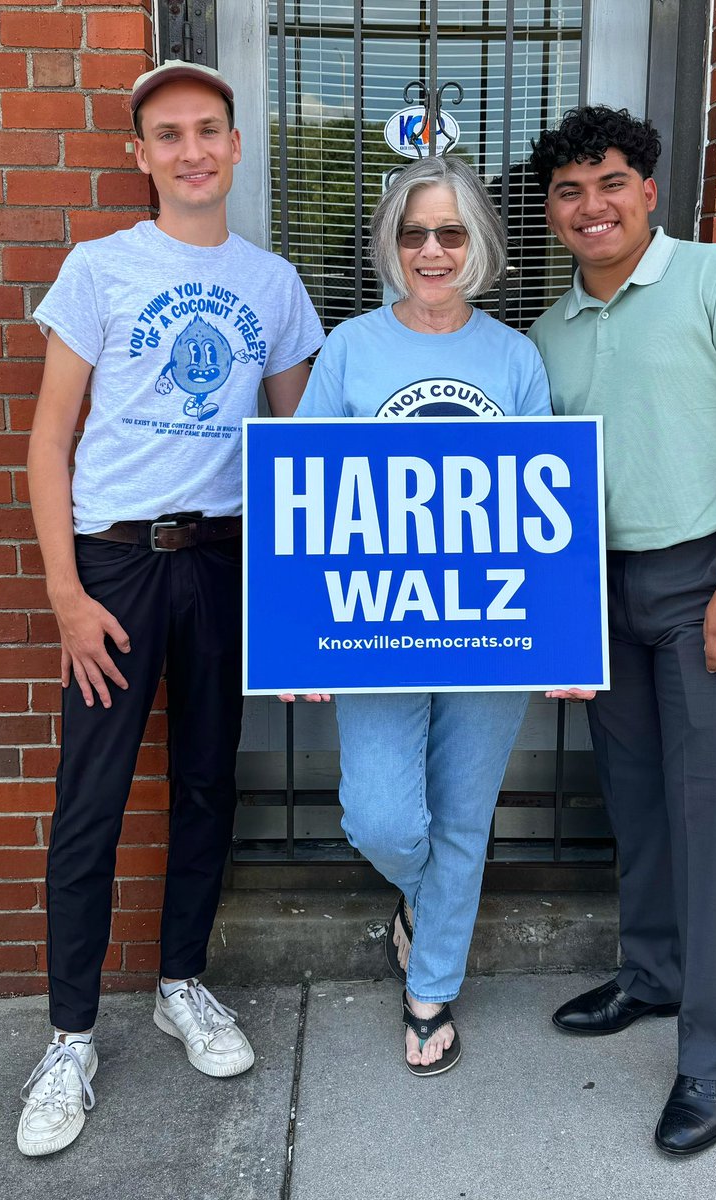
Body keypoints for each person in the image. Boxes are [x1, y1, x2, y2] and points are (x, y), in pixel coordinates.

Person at [18, 60, 324, 1156]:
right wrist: (64, 593)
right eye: (167, 134)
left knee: (203, 782)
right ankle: (68, 1036)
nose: (191, 150)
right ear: (140, 155)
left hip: (224, 562)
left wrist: (302, 598)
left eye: (208, 129)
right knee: (90, 801)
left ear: (237, 146)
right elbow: (50, 438)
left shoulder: (273, 282)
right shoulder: (100, 269)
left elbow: (304, 451)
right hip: (115, 566)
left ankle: (181, 984)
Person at [527, 106, 716, 1155]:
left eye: (607, 181)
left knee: (709, 822)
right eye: (567, 190)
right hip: (604, 591)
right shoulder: (548, 332)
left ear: (647, 189)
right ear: (550, 212)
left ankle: (709, 1060)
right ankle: (648, 978)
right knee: (637, 806)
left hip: (709, 582)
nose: (589, 205)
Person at [287, 155, 552, 1076]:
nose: (432, 250)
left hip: (493, 623)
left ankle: (431, 984)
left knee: (464, 816)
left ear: (478, 241)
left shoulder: (514, 358)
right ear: (391, 247)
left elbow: (542, 503)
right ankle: (422, 899)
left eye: (450, 231)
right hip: (375, 621)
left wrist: (562, 630)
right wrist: (297, 639)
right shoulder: (354, 348)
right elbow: (306, 494)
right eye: (413, 233)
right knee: (385, 819)